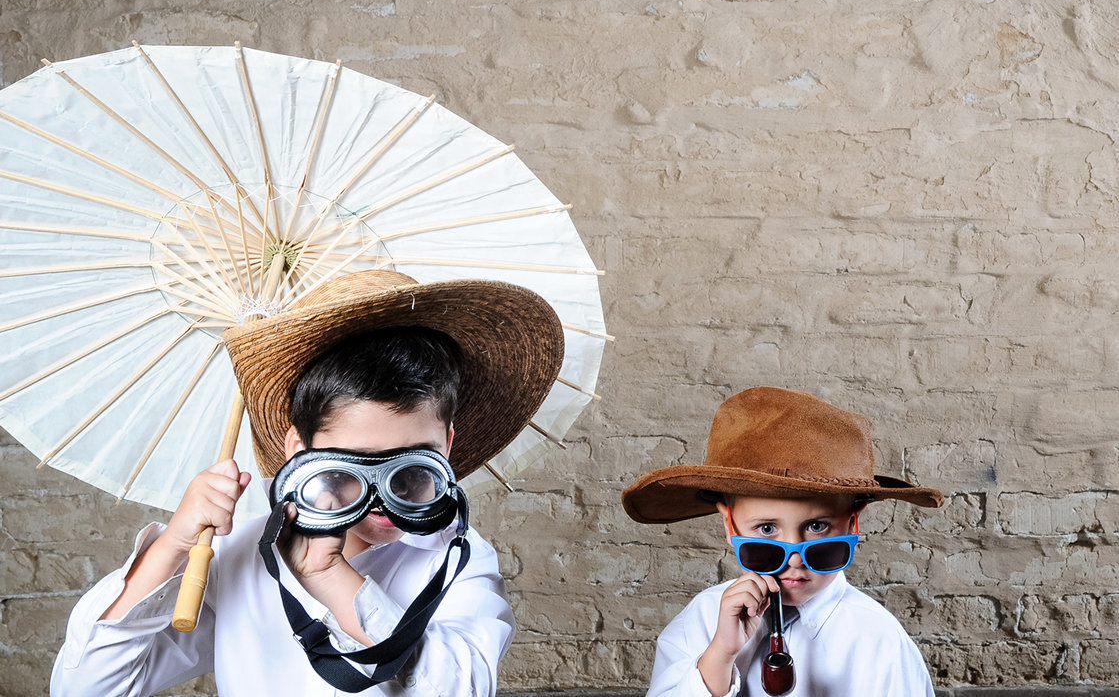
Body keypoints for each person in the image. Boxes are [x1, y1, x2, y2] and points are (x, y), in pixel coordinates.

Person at [51, 269, 565, 697]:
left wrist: (331, 577)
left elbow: (460, 689)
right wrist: (172, 547)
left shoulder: (458, 558)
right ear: (299, 449)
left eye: (413, 469)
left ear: (448, 446)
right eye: (350, 467)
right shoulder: (239, 556)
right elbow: (85, 688)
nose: (384, 497)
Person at [621, 387, 945, 697]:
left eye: (817, 526)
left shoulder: (880, 641)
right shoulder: (703, 619)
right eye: (765, 529)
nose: (794, 557)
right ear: (729, 524)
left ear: (851, 522)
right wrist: (721, 653)